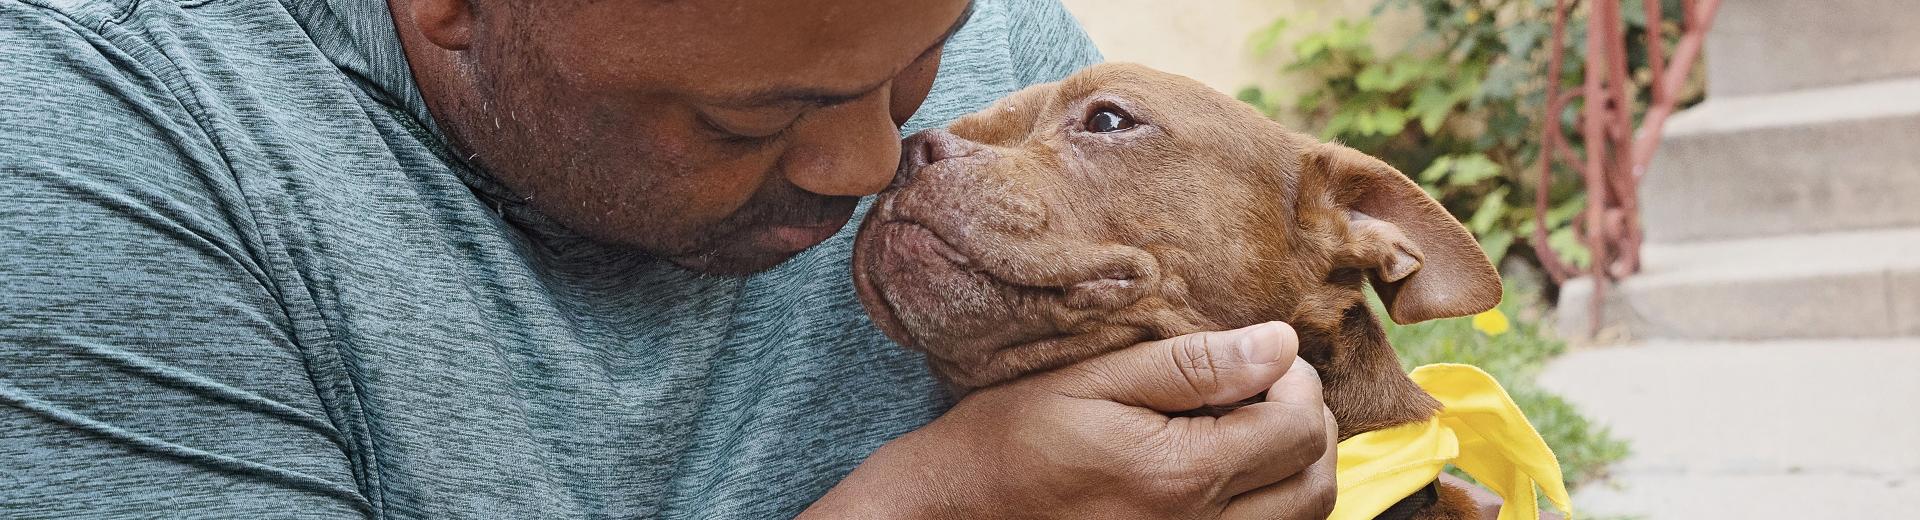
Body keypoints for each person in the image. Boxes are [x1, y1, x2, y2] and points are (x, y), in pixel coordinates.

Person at [0, 0, 1338, 517]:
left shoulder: (1006, 70)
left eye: (917, 66)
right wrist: (938, 504)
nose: (875, 162)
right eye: (749, 119)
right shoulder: (113, 148)